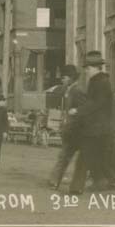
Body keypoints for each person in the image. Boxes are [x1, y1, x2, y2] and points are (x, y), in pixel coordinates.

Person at [70, 51, 115, 193]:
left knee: (85, 157)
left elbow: (96, 103)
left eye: (87, 68)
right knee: (110, 157)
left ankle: (77, 187)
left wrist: (78, 111)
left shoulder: (99, 82)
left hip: (97, 127)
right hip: (102, 127)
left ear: (95, 68)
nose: (86, 71)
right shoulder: (100, 81)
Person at [49, 64, 87, 194]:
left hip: (77, 131)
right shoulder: (69, 90)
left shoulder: (77, 91)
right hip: (70, 130)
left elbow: (84, 109)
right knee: (64, 156)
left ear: (71, 78)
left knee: (72, 157)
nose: (62, 80)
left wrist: (75, 112)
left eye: (64, 77)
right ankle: (55, 180)